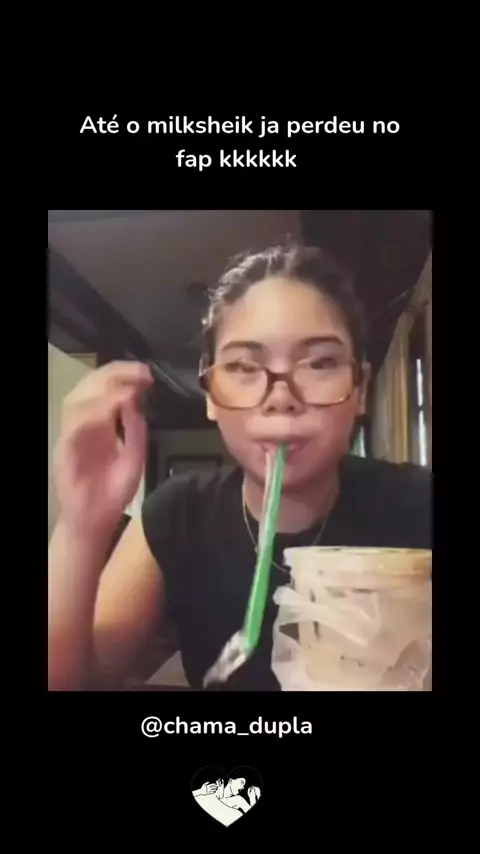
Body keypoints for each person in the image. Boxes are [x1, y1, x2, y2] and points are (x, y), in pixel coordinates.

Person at [48, 241, 431, 691]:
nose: (281, 397)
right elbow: (72, 680)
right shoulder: (178, 514)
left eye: (320, 363)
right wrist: (82, 524)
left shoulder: (420, 505)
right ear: (211, 393)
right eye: (245, 366)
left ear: (360, 388)